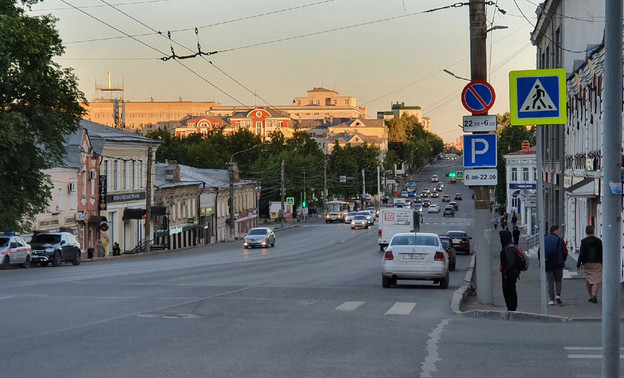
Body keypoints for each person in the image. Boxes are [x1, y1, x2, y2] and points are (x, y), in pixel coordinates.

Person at [538, 225, 568, 305]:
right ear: (555, 231)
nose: (559, 232)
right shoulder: (560, 240)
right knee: (558, 280)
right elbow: (565, 251)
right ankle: (558, 295)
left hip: (548, 263)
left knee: (550, 281)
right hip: (558, 263)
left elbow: (540, 251)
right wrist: (563, 259)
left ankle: (551, 299)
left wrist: (541, 261)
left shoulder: (544, 240)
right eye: (558, 230)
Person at [577, 225, 603, 303]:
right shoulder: (598, 241)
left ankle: (590, 296)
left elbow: (581, 253)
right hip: (597, 262)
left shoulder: (583, 241)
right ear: (593, 231)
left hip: (587, 263)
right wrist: (603, 262)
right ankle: (595, 294)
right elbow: (601, 252)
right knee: (596, 280)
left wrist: (578, 264)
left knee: (588, 280)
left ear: (586, 232)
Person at [500, 230, 522, 311]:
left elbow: (510, 262)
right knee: (510, 292)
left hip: (509, 276)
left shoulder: (509, 248)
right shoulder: (510, 247)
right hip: (511, 275)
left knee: (509, 293)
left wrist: (506, 272)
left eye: (501, 237)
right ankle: (511, 309)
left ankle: (511, 310)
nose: (500, 239)